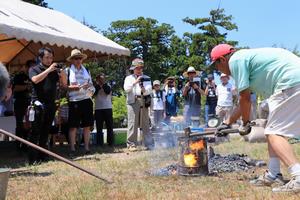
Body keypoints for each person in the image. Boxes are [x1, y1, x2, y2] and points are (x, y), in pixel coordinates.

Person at [211, 43, 300, 193]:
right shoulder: (246, 59)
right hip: (293, 81)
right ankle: (273, 174)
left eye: (216, 66)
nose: (217, 70)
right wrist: (227, 123)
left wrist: (245, 123)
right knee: (272, 129)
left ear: (222, 59)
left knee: (273, 133)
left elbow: (244, 98)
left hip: (290, 83)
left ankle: (298, 176)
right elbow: (244, 101)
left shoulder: (236, 61)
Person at [28, 47, 60, 163]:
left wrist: (62, 73)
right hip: (38, 104)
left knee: (46, 131)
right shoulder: (34, 69)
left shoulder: (53, 71)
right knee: (35, 131)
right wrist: (48, 70)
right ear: (40, 58)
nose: (49, 60)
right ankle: (32, 158)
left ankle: (43, 156)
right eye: (47, 57)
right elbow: (35, 80)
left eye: (51, 58)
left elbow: (63, 83)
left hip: (50, 104)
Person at [61, 49, 95, 155]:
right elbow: (64, 86)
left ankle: (87, 148)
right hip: (74, 100)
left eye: (80, 58)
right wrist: (76, 87)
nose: (78, 60)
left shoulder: (87, 70)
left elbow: (91, 83)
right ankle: (72, 148)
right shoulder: (67, 71)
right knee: (73, 126)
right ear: (72, 60)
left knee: (87, 125)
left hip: (86, 99)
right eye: (76, 58)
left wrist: (91, 89)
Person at [123, 58, 153, 151]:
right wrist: (135, 82)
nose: (138, 70)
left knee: (145, 123)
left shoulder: (147, 77)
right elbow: (126, 89)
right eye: (137, 68)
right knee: (133, 123)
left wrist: (143, 88)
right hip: (133, 101)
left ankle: (147, 143)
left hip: (143, 100)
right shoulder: (129, 78)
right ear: (133, 69)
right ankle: (131, 144)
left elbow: (149, 90)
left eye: (140, 68)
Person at [13, 60, 35, 151]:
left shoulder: (34, 76)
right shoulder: (19, 76)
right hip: (20, 104)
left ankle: (26, 145)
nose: (32, 69)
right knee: (20, 125)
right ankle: (18, 145)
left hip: (30, 104)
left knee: (29, 125)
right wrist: (27, 87)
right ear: (26, 67)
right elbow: (15, 88)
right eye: (31, 67)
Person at [94, 73, 114, 146]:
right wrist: (99, 86)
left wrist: (103, 84)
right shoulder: (95, 87)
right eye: (99, 79)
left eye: (102, 79)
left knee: (109, 126)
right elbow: (94, 94)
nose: (101, 80)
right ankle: (99, 143)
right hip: (98, 108)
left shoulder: (108, 85)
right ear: (97, 80)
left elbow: (107, 91)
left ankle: (110, 142)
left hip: (108, 108)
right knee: (99, 127)